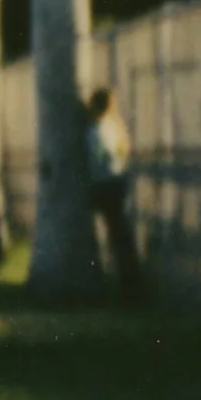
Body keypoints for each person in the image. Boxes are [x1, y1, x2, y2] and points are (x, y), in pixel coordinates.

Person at [84, 85, 147, 301]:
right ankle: (130, 282)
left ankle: (129, 285)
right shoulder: (111, 126)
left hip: (106, 185)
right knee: (121, 234)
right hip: (116, 183)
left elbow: (98, 159)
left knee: (117, 235)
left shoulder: (95, 130)